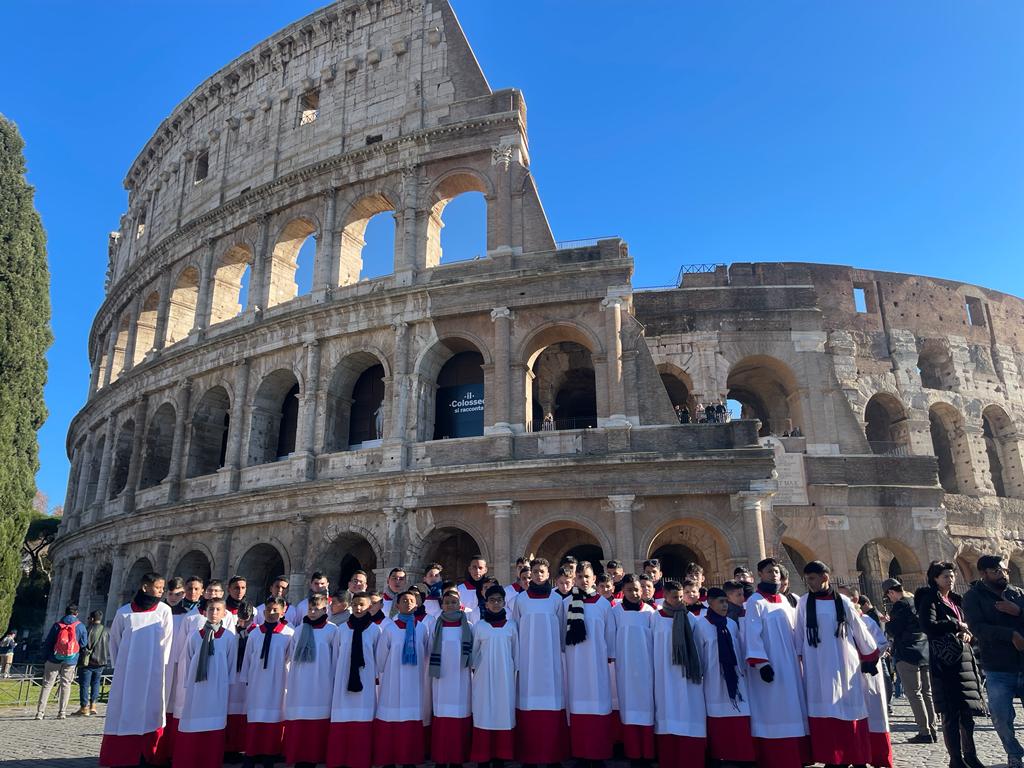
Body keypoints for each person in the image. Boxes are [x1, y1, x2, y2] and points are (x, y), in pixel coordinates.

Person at [795, 561, 879, 768]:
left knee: (849, 711)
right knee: (825, 713)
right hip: (816, 667)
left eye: (812, 578)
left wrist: (869, 656)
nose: (809, 583)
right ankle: (834, 757)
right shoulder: (804, 603)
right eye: (807, 579)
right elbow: (798, 634)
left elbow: (859, 631)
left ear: (825, 577)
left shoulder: (843, 601)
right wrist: (797, 660)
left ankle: (855, 756)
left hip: (844, 664)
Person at [100, 572, 174, 767]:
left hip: (153, 671)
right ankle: (124, 754)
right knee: (126, 710)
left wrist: (161, 665)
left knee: (151, 711)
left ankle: (147, 754)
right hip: (127, 672)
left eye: (162, 588)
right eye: (158, 587)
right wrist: (120, 667)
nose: (161, 591)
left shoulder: (164, 611)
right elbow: (114, 640)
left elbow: (167, 641)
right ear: (145, 587)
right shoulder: (124, 612)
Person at [917, 560, 986, 768]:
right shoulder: (930, 599)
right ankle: (956, 759)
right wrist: (956, 625)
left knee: (967, 713)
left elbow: (968, 627)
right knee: (951, 713)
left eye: (952, 575)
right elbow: (927, 625)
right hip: (945, 662)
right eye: (946, 576)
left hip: (964, 660)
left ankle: (970, 755)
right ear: (935, 578)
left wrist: (967, 633)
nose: (951, 579)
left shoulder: (956, 600)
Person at [742, 557, 809, 768]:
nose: (774, 575)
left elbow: (796, 631)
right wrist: (761, 663)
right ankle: (773, 757)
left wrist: (801, 655)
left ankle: (796, 756)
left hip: (790, 665)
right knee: (773, 709)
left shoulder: (785, 600)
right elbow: (752, 633)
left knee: (792, 707)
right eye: (770, 571)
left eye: (777, 572)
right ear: (760, 574)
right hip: (769, 666)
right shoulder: (755, 601)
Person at [963, 553, 1024, 768]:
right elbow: (977, 628)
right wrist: (1010, 635)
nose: (1002, 574)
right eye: (997, 571)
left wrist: (1019, 611)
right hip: (998, 667)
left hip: (1022, 662)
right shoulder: (973, 597)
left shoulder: (1017, 594)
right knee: (1000, 717)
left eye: (1004, 570)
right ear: (983, 573)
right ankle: (1014, 752)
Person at [511, 557, 570, 765]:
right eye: (535, 572)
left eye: (542, 572)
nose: (538, 575)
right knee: (528, 704)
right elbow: (516, 628)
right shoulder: (520, 600)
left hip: (550, 660)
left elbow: (562, 629)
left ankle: (552, 754)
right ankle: (529, 755)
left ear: (548, 575)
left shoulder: (556, 600)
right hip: (527, 661)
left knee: (551, 704)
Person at [563, 561, 616, 765]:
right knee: (577, 705)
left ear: (594, 579)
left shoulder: (603, 604)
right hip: (575, 661)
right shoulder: (566, 603)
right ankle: (580, 752)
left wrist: (609, 653)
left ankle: (598, 753)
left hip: (597, 663)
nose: (583, 581)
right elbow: (562, 630)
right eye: (579, 577)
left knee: (598, 705)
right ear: (574, 579)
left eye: (587, 576)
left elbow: (609, 632)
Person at [173, 597, 237, 768]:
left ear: (224, 613)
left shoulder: (229, 637)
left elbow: (231, 663)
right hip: (197, 688)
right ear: (205, 612)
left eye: (217, 610)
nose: (214, 613)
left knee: (214, 726)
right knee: (193, 724)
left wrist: (225, 685)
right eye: (211, 609)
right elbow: (188, 658)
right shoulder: (195, 636)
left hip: (217, 689)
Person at [695, 587, 756, 765]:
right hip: (714, 678)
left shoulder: (732, 624)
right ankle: (720, 755)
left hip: (735, 678)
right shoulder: (701, 625)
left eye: (725, 602)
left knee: (739, 716)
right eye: (720, 602)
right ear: (709, 603)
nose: (724, 605)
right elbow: (699, 653)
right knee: (717, 718)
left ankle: (742, 756)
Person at [651, 579, 707, 765]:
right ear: (665, 596)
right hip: (664, 675)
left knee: (689, 711)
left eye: (681, 596)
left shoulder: (690, 618)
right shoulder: (655, 618)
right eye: (675, 597)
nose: (679, 600)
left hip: (687, 676)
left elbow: (698, 646)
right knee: (668, 711)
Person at [374, 589, 431, 768]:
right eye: (404, 600)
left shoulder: (422, 627)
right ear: (397, 605)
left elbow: (427, 651)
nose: (407, 603)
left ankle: (409, 757)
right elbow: (381, 656)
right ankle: (389, 757)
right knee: (392, 717)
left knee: (411, 717)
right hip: (393, 680)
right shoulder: (390, 628)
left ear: (417, 604)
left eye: (411, 600)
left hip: (415, 680)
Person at [327, 592, 381, 768]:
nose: (358, 608)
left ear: (369, 607)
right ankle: (339, 758)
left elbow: (378, 657)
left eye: (362, 605)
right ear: (351, 605)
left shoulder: (375, 630)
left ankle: (360, 759)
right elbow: (335, 655)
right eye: (355, 604)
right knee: (342, 717)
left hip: (364, 679)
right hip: (343, 679)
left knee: (363, 718)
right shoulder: (341, 629)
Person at [284, 592, 337, 768]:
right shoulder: (298, 630)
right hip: (300, 681)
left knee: (317, 721)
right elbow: (291, 655)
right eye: (310, 608)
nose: (313, 612)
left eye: (317, 609)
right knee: (300, 719)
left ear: (325, 610)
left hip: (321, 682)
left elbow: (335, 657)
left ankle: (315, 756)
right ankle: (298, 755)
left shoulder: (332, 630)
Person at [241, 597, 293, 768]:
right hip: (256, 682)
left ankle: (269, 755)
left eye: (275, 610)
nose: (271, 613)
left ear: (282, 611)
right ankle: (251, 754)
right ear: (263, 612)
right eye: (269, 610)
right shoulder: (255, 633)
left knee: (273, 719)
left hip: (277, 682)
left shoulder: (288, 633)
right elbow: (248, 658)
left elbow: (290, 660)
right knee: (255, 718)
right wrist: (246, 679)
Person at [470, 585, 519, 766]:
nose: (496, 603)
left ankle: (501, 756)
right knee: (484, 712)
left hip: (505, 677)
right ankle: (483, 756)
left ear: (504, 602)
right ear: (486, 603)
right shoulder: (479, 626)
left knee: (502, 713)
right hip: (483, 677)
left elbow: (517, 652)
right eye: (492, 600)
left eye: (499, 600)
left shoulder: (512, 626)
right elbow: (474, 653)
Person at [883, 577, 936, 744]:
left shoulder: (901, 605)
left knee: (914, 694)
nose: (890, 599)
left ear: (891, 592)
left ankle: (924, 731)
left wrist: (888, 623)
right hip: (924, 650)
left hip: (907, 652)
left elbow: (894, 630)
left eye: (888, 596)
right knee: (927, 693)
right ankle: (932, 728)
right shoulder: (916, 601)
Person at [613, 574, 657, 763]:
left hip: (646, 669)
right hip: (625, 669)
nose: (634, 593)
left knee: (646, 709)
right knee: (628, 708)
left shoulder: (650, 612)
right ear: (623, 591)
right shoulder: (615, 612)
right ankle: (632, 753)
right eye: (630, 590)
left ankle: (647, 753)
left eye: (637, 589)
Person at [430, 588, 475, 767]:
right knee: (442, 714)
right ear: (442, 605)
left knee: (460, 713)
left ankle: (458, 756)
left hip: (461, 675)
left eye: (454, 602)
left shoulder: (468, 626)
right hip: (441, 676)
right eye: (447, 602)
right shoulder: (436, 624)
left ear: (460, 604)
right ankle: (441, 756)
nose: (450, 605)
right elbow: (429, 647)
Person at [36, 601, 89, 720]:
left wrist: (45, 657)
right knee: (66, 684)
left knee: (47, 685)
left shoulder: (57, 625)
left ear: (65, 613)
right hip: (71, 659)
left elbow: (48, 642)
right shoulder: (80, 626)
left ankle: (40, 712)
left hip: (54, 658)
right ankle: (62, 712)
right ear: (77, 613)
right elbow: (84, 643)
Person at [225, 602, 255, 763]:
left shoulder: (255, 632)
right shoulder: (231, 632)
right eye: (241, 618)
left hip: (246, 677)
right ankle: (228, 747)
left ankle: (241, 746)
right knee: (230, 710)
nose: (243, 621)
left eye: (247, 618)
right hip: (232, 675)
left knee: (243, 711)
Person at [76, 610, 109, 716]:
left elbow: (82, 645)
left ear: (91, 619)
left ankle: (84, 707)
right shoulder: (107, 631)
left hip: (88, 662)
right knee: (96, 683)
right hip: (101, 661)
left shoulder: (87, 630)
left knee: (85, 685)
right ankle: (93, 705)